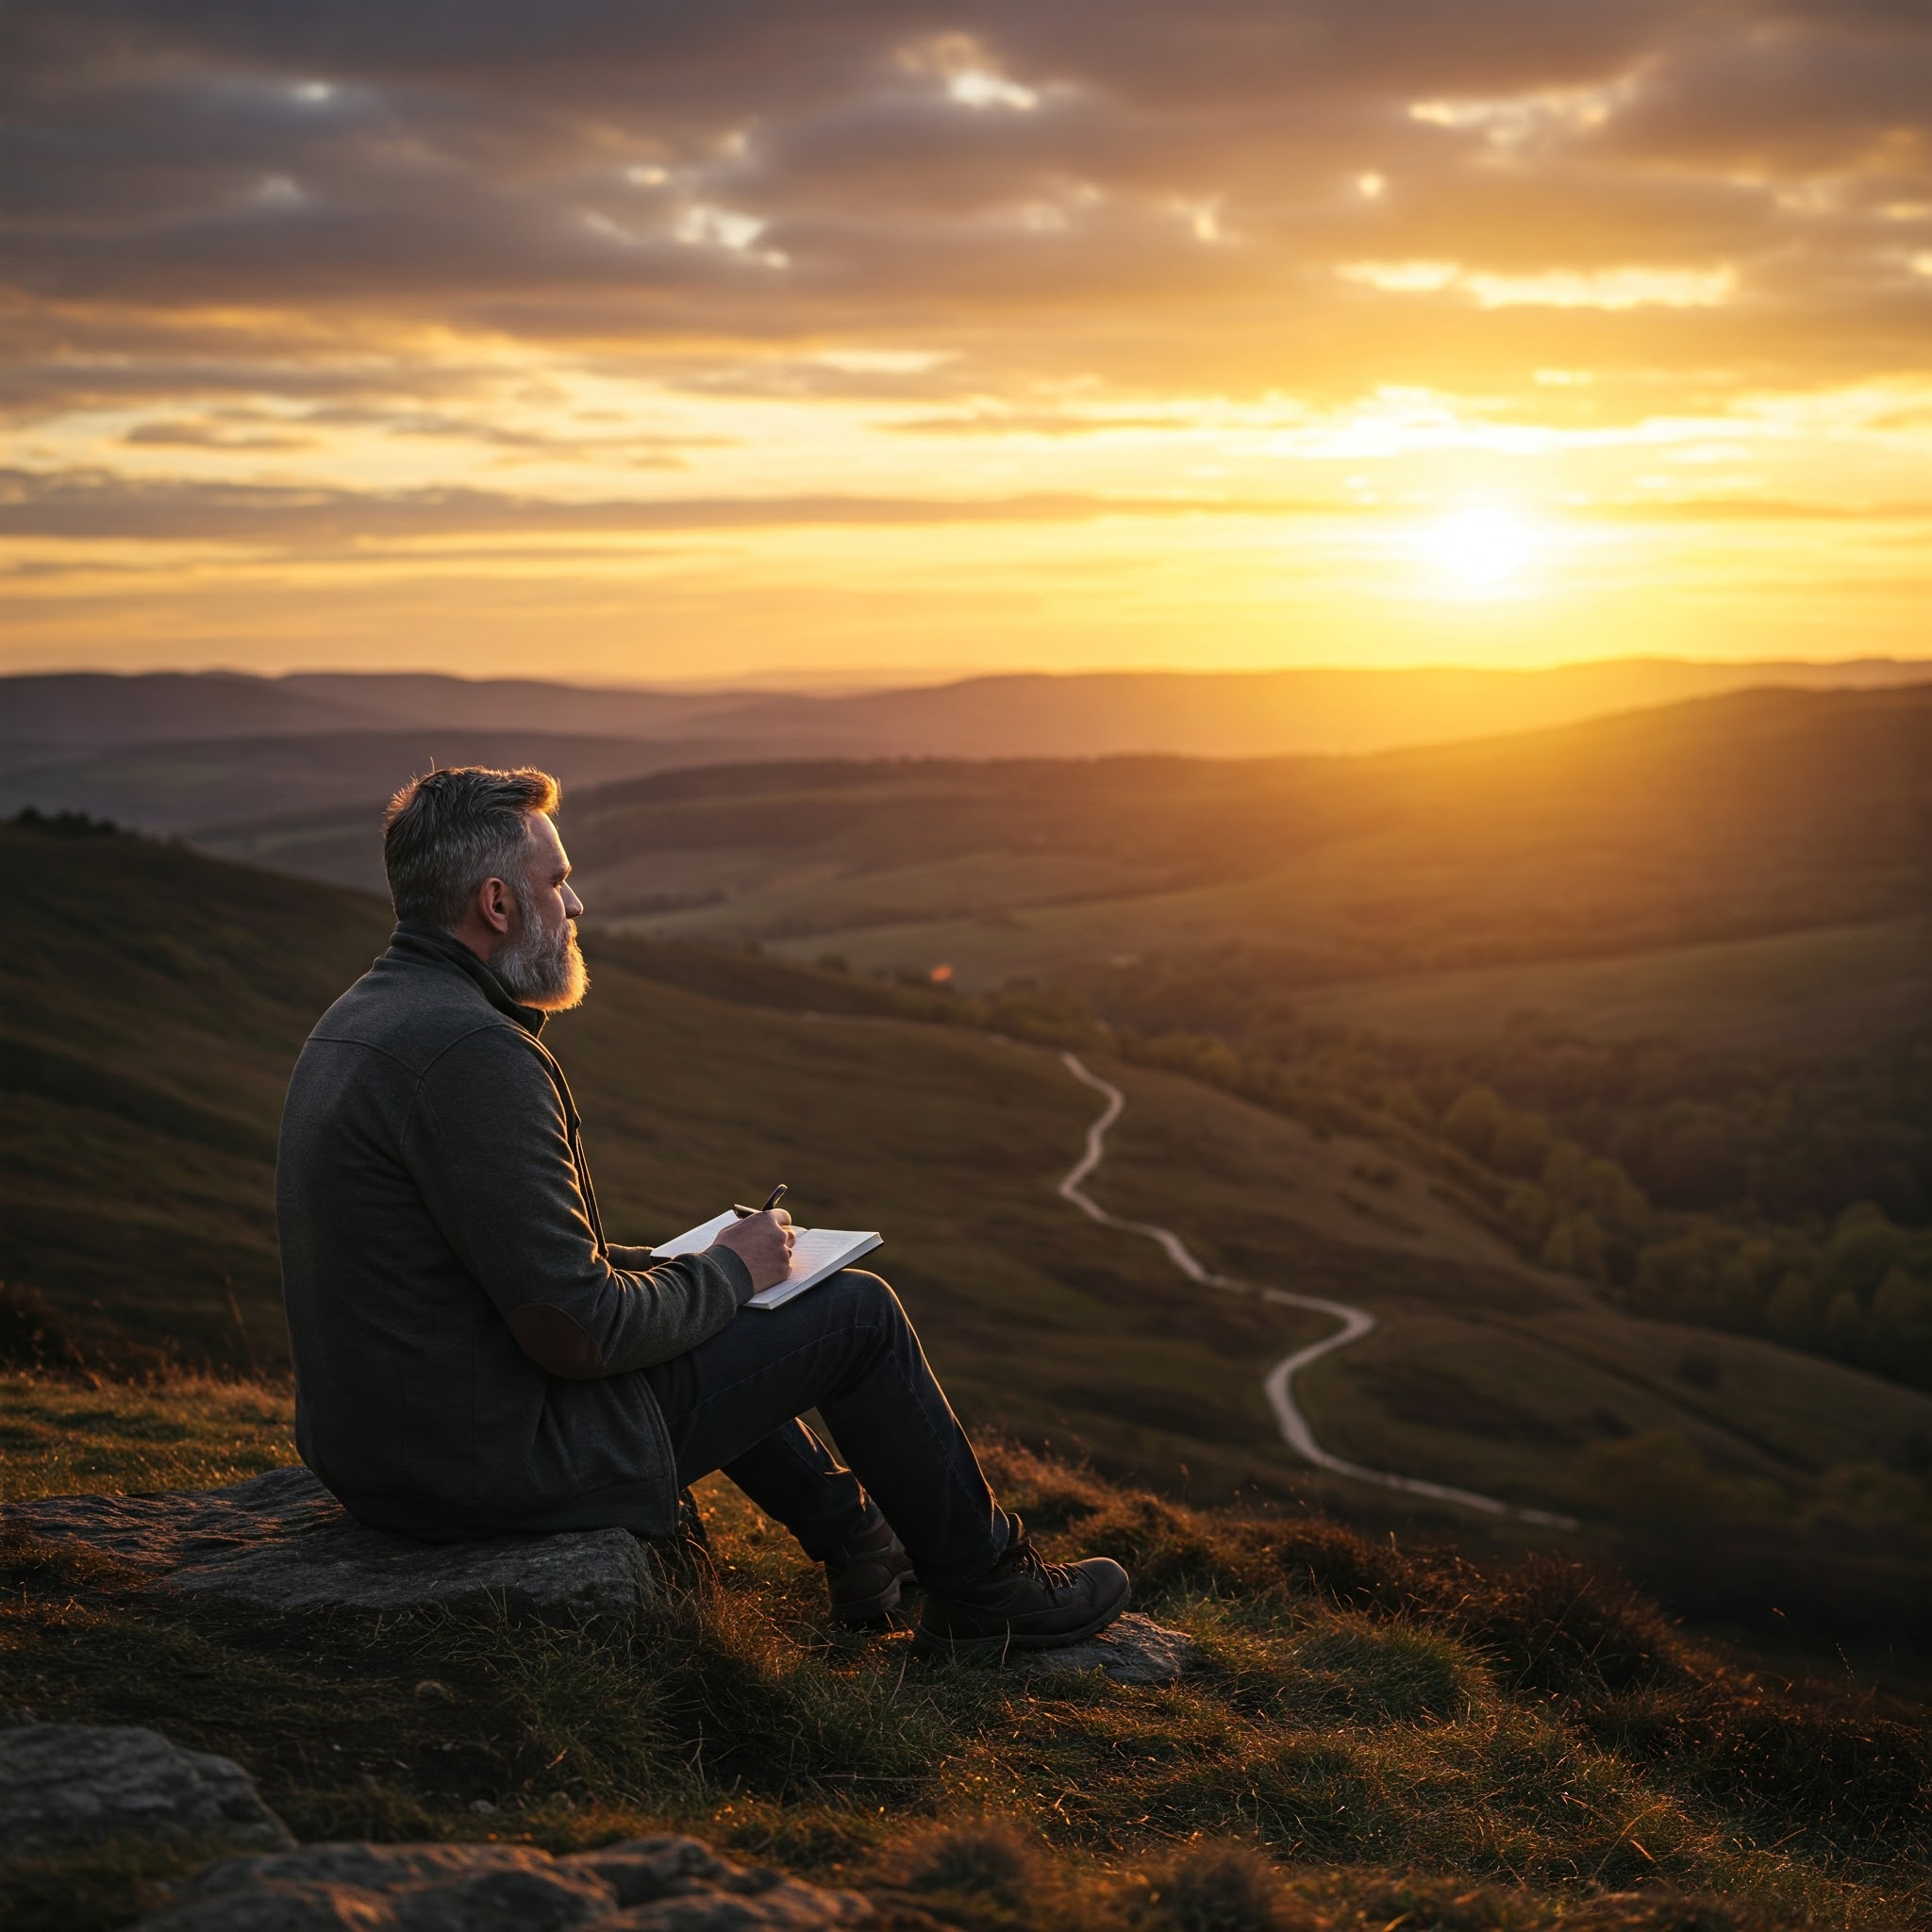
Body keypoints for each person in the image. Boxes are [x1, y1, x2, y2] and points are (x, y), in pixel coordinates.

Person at [276, 764, 1130, 1656]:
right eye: (557, 882)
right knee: (857, 1316)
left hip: (391, 1451)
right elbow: (579, 1330)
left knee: (704, 1305)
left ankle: (854, 1537)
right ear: (496, 904)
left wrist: (691, 1268)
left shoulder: (370, 1015)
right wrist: (729, 1271)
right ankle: (986, 1588)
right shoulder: (473, 1054)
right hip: (487, 1465)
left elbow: (502, 1264)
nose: (574, 906)